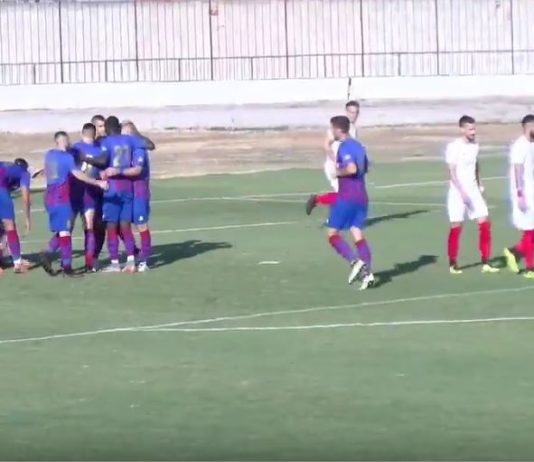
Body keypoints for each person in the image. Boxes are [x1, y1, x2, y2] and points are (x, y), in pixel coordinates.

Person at [40, 132, 108, 276]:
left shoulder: (49, 154)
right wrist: (98, 182)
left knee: (64, 229)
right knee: (69, 231)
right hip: (64, 196)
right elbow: (79, 174)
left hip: (51, 196)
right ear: (65, 141)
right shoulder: (68, 157)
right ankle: (69, 267)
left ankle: (49, 253)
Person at [324, 115, 374, 290]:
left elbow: (351, 169)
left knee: (332, 233)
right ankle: (368, 273)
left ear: (338, 130)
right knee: (356, 231)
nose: (331, 132)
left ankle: (355, 262)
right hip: (361, 196)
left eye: (332, 128)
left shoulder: (345, 147)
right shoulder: (359, 146)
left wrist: (337, 173)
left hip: (347, 197)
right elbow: (365, 167)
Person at [446, 115, 499, 275]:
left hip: (474, 190)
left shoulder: (475, 146)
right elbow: (452, 172)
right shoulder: (453, 147)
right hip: (457, 193)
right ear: (462, 129)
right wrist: (461, 192)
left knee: (485, 222)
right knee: (456, 226)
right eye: (470, 129)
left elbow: (476, 166)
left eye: (474, 128)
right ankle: (453, 263)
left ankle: (486, 262)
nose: (473, 132)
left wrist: (480, 184)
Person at [99, 116, 146, 273]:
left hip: (112, 189)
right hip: (128, 187)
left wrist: (102, 172)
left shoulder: (105, 142)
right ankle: (131, 260)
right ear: (119, 127)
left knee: (111, 226)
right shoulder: (131, 140)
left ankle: (114, 263)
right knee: (126, 225)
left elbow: (101, 161)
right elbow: (147, 145)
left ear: (106, 129)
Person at [306, 100, 360, 215]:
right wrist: (335, 161)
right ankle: (319, 202)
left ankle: (318, 201)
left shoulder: (353, 129)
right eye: (351, 112)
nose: (354, 115)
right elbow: (326, 145)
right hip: (334, 166)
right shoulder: (338, 127)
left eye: (356, 112)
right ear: (346, 112)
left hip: (345, 166)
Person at [71, 123, 105, 272]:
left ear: (81, 133)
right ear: (95, 134)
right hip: (92, 192)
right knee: (90, 227)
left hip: (74, 191)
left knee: (68, 227)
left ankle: (61, 260)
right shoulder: (99, 149)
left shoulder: (74, 148)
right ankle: (90, 262)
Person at [503, 115, 534, 278]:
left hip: (532, 190)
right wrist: (520, 195)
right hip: (523, 193)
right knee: (529, 230)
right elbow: (517, 171)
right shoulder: (519, 146)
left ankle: (513, 252)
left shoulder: (532, 144)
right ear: (528, 127)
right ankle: (530, 269)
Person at [121, 121, 153, 271]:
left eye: (126, 133)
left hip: (139, 192)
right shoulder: (122, 150)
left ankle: (144, 260)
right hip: (126, 191)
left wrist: (116, 171)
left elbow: (137, 170)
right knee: (124, 224)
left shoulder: (139, 148)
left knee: (141, 225)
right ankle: (131, 257)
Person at [0, 158, 31, 273]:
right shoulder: (24, 173)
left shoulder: (7, 167)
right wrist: (27, 219)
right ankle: (17, 263)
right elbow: (25, 198)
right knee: (10, 227)